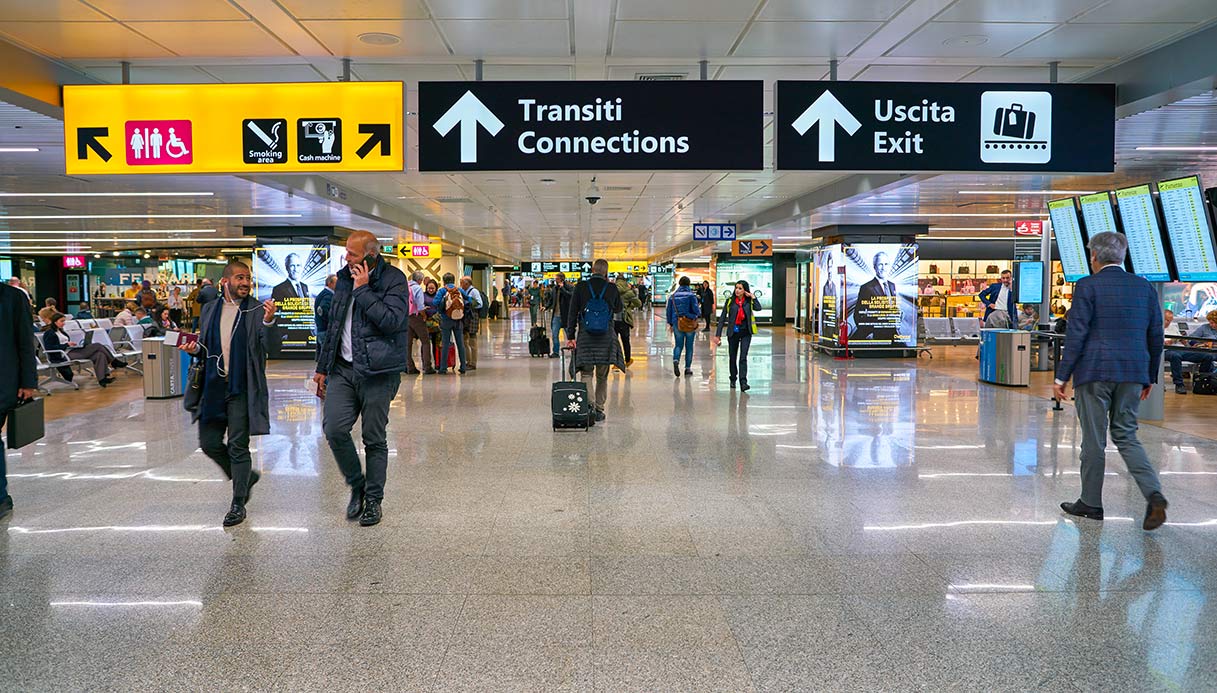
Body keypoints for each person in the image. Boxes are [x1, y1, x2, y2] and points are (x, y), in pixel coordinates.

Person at [1054, 232, 1168, 531]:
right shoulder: (1144, 287)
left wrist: (1062, 375)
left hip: (1095, 370)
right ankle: (1153, 493)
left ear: (1094, 256)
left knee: (1094, 439)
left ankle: (1090, 503)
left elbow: (1077, 333)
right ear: (1122, 255)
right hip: (1133, 372)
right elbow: (1156, 335)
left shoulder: (1088, 286)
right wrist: (1149, 376)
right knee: (1126, 435)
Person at [314, 231, 409, 527]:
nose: (347, 258)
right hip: (343, 369)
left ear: (371, 255)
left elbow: (392, 321)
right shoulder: (343, 278)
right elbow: (334, 326)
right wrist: (322, 367)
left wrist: (364, 290)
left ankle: (373, 501)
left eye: (352, 254)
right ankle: (357, 484)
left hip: (378, 372)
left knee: (373, 438)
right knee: (334, 429)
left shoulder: (394, 280)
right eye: (346, 252)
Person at [180, 260, 276, 527]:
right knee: (209, 443)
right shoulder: (210, 309)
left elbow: (268, 345)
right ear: (225, 282)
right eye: (239, 278)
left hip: (241, 387)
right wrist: (194, 349)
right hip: (212, 387)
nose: (245, 283)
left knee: (237, 445)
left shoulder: (256, 309)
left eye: (248, 278)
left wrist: (269, 322)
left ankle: (238, 503)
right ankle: (245, 476)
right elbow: (205, 346)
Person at [564, 259, 625, 424]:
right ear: (606, 271)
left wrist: (570, 336)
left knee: (586, 374)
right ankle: (599, 409)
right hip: (606, 337)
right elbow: (619, 308)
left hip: (586, 337)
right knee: (602, 376)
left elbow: (572, 312)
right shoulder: (612, 288)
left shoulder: (581, 287)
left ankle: (589, 407)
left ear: (592, 270)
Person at [0, 281, 37, 520]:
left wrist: (28, 381)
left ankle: (1, 497)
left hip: (3, 381)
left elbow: (25, 341)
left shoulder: (12, 298)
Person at [41, 313, 115, 387]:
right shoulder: (49, 333)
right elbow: (50, 348)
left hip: (69, 351)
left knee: (99, 354)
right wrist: (66, 345)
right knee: (97, 345)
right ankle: (114, 361)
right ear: (55, 322)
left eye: (64, 321)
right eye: (61, 321)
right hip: (62, 355)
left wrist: (71, 345)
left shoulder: (60, 331)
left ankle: (102, 379)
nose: (64, 323)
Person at [713, 280, 761, 391]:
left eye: (740, 288)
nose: (737, 290)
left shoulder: (749, 301)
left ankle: (743, 382)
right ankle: (733, 378)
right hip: (733, 333)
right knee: (733, 357)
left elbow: (758, 308)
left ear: (745, 290)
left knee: (743, 357)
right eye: (736, 288)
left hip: (746, 332)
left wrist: (753, 297)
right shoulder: (730, 301)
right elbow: (722, 318)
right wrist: (718, 334)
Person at [1166, 309, 1217, 394]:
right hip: (1169, 350)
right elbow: (1192, 339)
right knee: (1175, 356)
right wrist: (1199, 344)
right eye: (1167, 320)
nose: (1211, 325)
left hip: (1181, 349)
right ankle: (1179, 384)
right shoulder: (1204, 328)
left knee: (1207, 357)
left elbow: (1184, 340)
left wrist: (1182, 340)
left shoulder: (1173, 328)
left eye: (1170, 320)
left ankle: (1202, 380)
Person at [433, 272, 470, 374]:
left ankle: (443, 368)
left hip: (446, 319)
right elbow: (469, 300)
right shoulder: (459, 290)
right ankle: (463, 366)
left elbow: (435, 302)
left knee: (445, 344)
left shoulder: (442, 290)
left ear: (444, 281)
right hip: (458, 320)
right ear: (454, 280)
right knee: (460, 343)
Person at [665, 276, 701, 378]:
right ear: (688, 284)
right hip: (689, 323)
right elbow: (696, 311)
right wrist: (695, 315)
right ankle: (687, 368)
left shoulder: (672, 296)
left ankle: (676, 360)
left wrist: (670, 323)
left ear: (679, 284)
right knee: (689, 346)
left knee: (678, 345)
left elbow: (668, 311)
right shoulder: (691, 296)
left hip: (677, 323)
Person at [404, 271, 434, 375]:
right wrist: (424, 315)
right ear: (420, 280)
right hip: (416, 317)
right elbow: (420, 306)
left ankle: (410, 367)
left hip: (406, 317)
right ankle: (427, 367)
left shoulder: (405, 286)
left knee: (408, 343)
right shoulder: (417, 288)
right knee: (425, 341)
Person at [545, 272, 575, 359]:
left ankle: (574, 350)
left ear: (562, 279)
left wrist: (563, 289)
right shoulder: (555, 288)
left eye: (557, 279)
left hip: (566, 315)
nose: (556, 280)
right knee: (555, 334)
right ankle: (555, 352)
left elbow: (570, 297)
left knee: (570, 335)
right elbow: (552, 300)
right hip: (556, 315)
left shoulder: (569, 287)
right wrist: (546, 307)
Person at [614, 274, 642, 367]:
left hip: (613, 319)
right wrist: (630, 306)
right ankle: (628, 360)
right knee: (625, 341)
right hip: (624, 319)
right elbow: (639, 304)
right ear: (625, 281)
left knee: (614, 342)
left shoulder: (612, 291)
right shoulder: (629, 292)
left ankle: (616, 363)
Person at [460, 276, 484, 370]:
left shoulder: (474, 291)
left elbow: (479, 304)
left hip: (472, 318)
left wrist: (469, 302)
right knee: (464, 340)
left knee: (472, 341)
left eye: (462, 283)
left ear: (467, 283)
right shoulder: (464, 291)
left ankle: (473, 363)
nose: (461, 285)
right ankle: (468, 361)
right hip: (465, 318)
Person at [314, 274, 336, 356]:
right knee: (327, 356)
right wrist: (332, 322)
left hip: (322, 330)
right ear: (330, 283)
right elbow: (322, 310)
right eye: (336, 283)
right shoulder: (328, 295)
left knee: (324, 355)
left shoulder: (323, 294)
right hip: (326, 330)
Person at [423, 279, 442, 369]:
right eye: (429, 288)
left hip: (437, 324)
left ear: (436, 288)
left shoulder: (439, 296)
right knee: (425, 344)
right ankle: (426, 364)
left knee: (437, 345)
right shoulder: (422, 295)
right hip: (425, 324)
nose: (430, 290)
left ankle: (437, 363)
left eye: (432, 288)